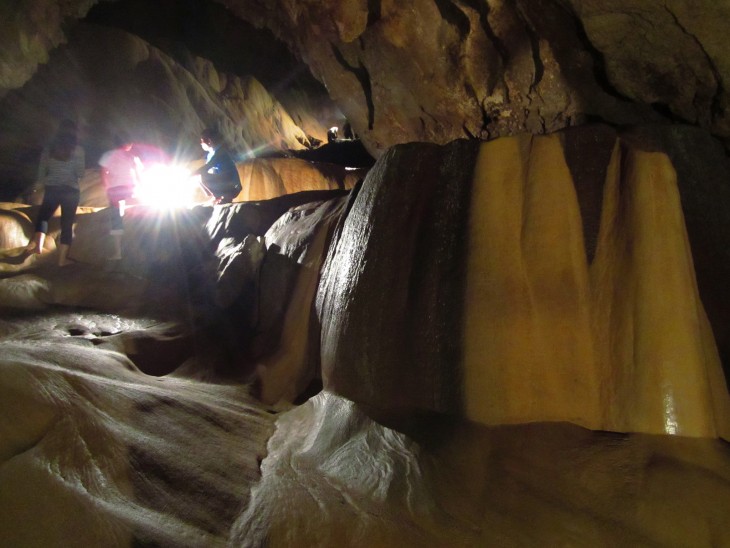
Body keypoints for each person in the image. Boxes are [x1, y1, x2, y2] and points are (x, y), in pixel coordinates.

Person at [26, 119, 85, 266]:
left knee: (43, 217)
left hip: (53, 189)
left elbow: (41, 172)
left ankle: (38, 247)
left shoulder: (49, 149)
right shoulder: (78, 150)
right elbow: (80, 173)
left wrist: (36, 187)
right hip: (71, 191)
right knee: (67, 223)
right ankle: (62, 260)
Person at [98, 132, 141, 260]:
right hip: (130, 189)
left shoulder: (107, 155)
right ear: (129, 144)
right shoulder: (132, 156)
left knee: (116, 220)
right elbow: (138, 175)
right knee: (135, 217)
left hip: (115, 191)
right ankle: (137, 248)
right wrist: (140, 188)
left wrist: (107, 187)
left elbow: (103, 173)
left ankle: (118, 252)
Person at [193, 128, 242, 204]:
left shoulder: (220, 152)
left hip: (233, 187)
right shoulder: (210, 154)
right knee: (198, 177)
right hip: (224, 182)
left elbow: (206, 168)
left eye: (202, 141)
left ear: (209, 141)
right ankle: (216, 196)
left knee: (202, 175)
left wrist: (190, 174)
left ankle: (222, 197)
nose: (201, 144)